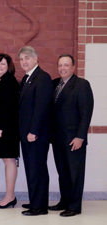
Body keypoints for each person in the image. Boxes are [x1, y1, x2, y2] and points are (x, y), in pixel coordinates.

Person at [49, 54, 94, 217]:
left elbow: (86, 113)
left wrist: (80, 137)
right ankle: (65, 201)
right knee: (63, 172)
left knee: (75, 173)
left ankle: (74, 206)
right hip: (58, 138)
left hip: (74, 139)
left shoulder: (82, 85)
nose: (62, 68)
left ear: (73, 67)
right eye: (60, 65)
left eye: (66, 65)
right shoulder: (55, 84)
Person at [18, 46, 53, 216]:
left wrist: (33, 131)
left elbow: (41, 108)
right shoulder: (27, 79)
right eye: (21, 59)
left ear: (35, 59)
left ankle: (39, 207)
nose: (24, 62)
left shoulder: (43, 78)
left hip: (36, 135)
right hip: (27, 135)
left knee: (37, 169)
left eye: (27, 58)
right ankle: (34, 201)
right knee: (31, 169)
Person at [0, 53, 20, 209]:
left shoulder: (10, 81)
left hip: (7, 129)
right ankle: (10, 196)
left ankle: (9, 197)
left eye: (3, 64)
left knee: (9, 160)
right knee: (7, 161)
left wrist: (1, 127)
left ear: (9, 66)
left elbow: (10, 108)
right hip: (0, 129)